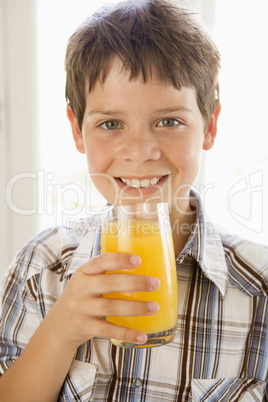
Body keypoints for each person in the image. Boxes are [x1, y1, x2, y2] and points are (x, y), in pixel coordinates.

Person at [0, 0, 268, 400]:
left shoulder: (259, 291)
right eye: (111, 124)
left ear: (209, 126)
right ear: (78, 131)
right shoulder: (43, 268)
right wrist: (60, 331)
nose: (140, 152)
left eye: (169, 122)